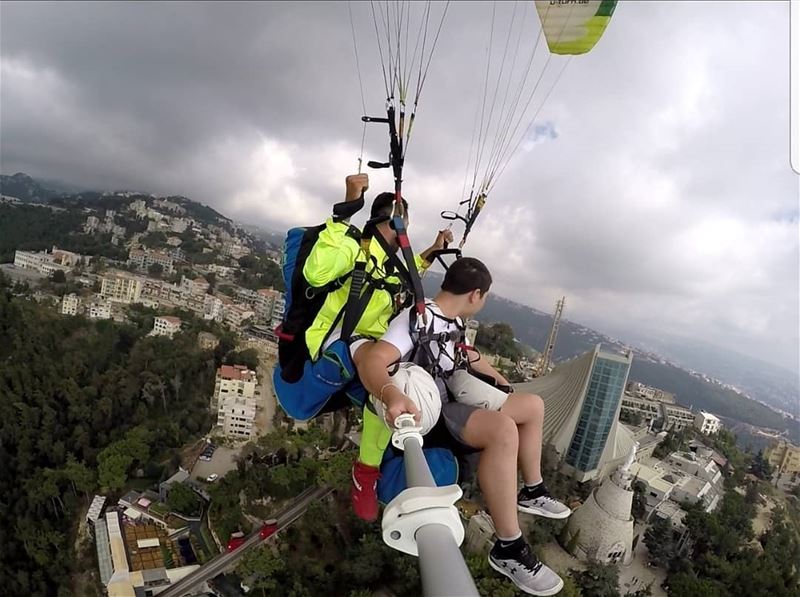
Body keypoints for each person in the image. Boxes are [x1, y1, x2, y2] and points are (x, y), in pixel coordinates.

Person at [354, 257, 570, 596]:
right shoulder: (415, 319)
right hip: (431, 413)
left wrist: (502, 383)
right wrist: (391, 394)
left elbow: (466, 355)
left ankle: (533, 489)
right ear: (476, 294)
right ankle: (509, 547)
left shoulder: (452, 321)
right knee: (502, 429)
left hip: (452, 397)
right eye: (484, 297)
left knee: (532, 405)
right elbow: (374, 359)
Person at [273, 172, 452, 521]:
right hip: (334, 339)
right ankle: (367, 472)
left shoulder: (389, 260)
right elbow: (316, 272)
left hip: (366, 344)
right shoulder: (353, 247)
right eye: (403, 226)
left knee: (403, 377)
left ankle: (373, 468)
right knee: (387, 374)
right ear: (389, 222)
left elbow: (405, 271)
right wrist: (344, 211)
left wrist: (431, 251)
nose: (405, 236)